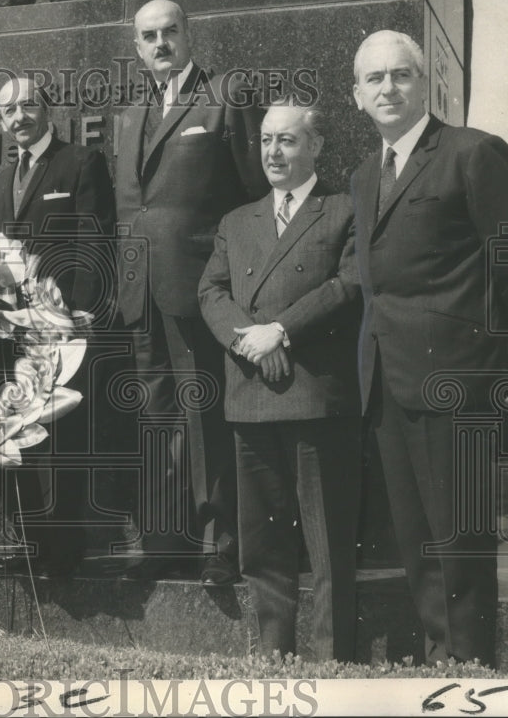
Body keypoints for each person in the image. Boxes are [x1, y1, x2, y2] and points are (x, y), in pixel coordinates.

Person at [349, 30, 508, 667]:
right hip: (388, 383)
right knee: (418, 548)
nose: (387, 88)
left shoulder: (473, 153)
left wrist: (494, 370)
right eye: (373, 79)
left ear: (424, 82)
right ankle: (443, 671)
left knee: (459, 549)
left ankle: (472, 682)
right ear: (356, 96)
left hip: (457, 387)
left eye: (399, 74)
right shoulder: (362, 175)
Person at [199, 103, 361, 660]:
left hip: (314, 396)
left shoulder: (343, 209)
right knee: (263, 543)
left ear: (314, 146)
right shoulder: (236, 221)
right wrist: (249, 338)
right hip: (251, 395)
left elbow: (347, 286)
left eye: (287, 141)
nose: (273, 152)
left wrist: (281, 331)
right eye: (266, 140)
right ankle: (273, 652)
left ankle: (333, 658)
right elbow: (211, 292)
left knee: (328, 543)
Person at [114, 0, 268, 584]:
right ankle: (163, 542)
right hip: (141, 291)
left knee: (204, 415)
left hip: (201, 287)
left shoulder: (226, 95)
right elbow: (133, 206)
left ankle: (218, 544)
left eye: (169, 32)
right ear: (137, 47)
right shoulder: (131, 114)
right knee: (155, 419)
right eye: (148, 36)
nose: (160, 43)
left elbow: (256, 197)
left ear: (189, 34)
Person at [0, 74, 116, 578]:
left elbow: (93, 242)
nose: (20, 118)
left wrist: (77, 313)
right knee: (16, 432)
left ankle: (60, 552)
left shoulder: (80, 162)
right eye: (9, 111)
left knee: (59, 435)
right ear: (0, 120)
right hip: (7, 332)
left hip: (60, 330)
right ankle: (25, 542)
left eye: (29, 106)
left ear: (48, 109)